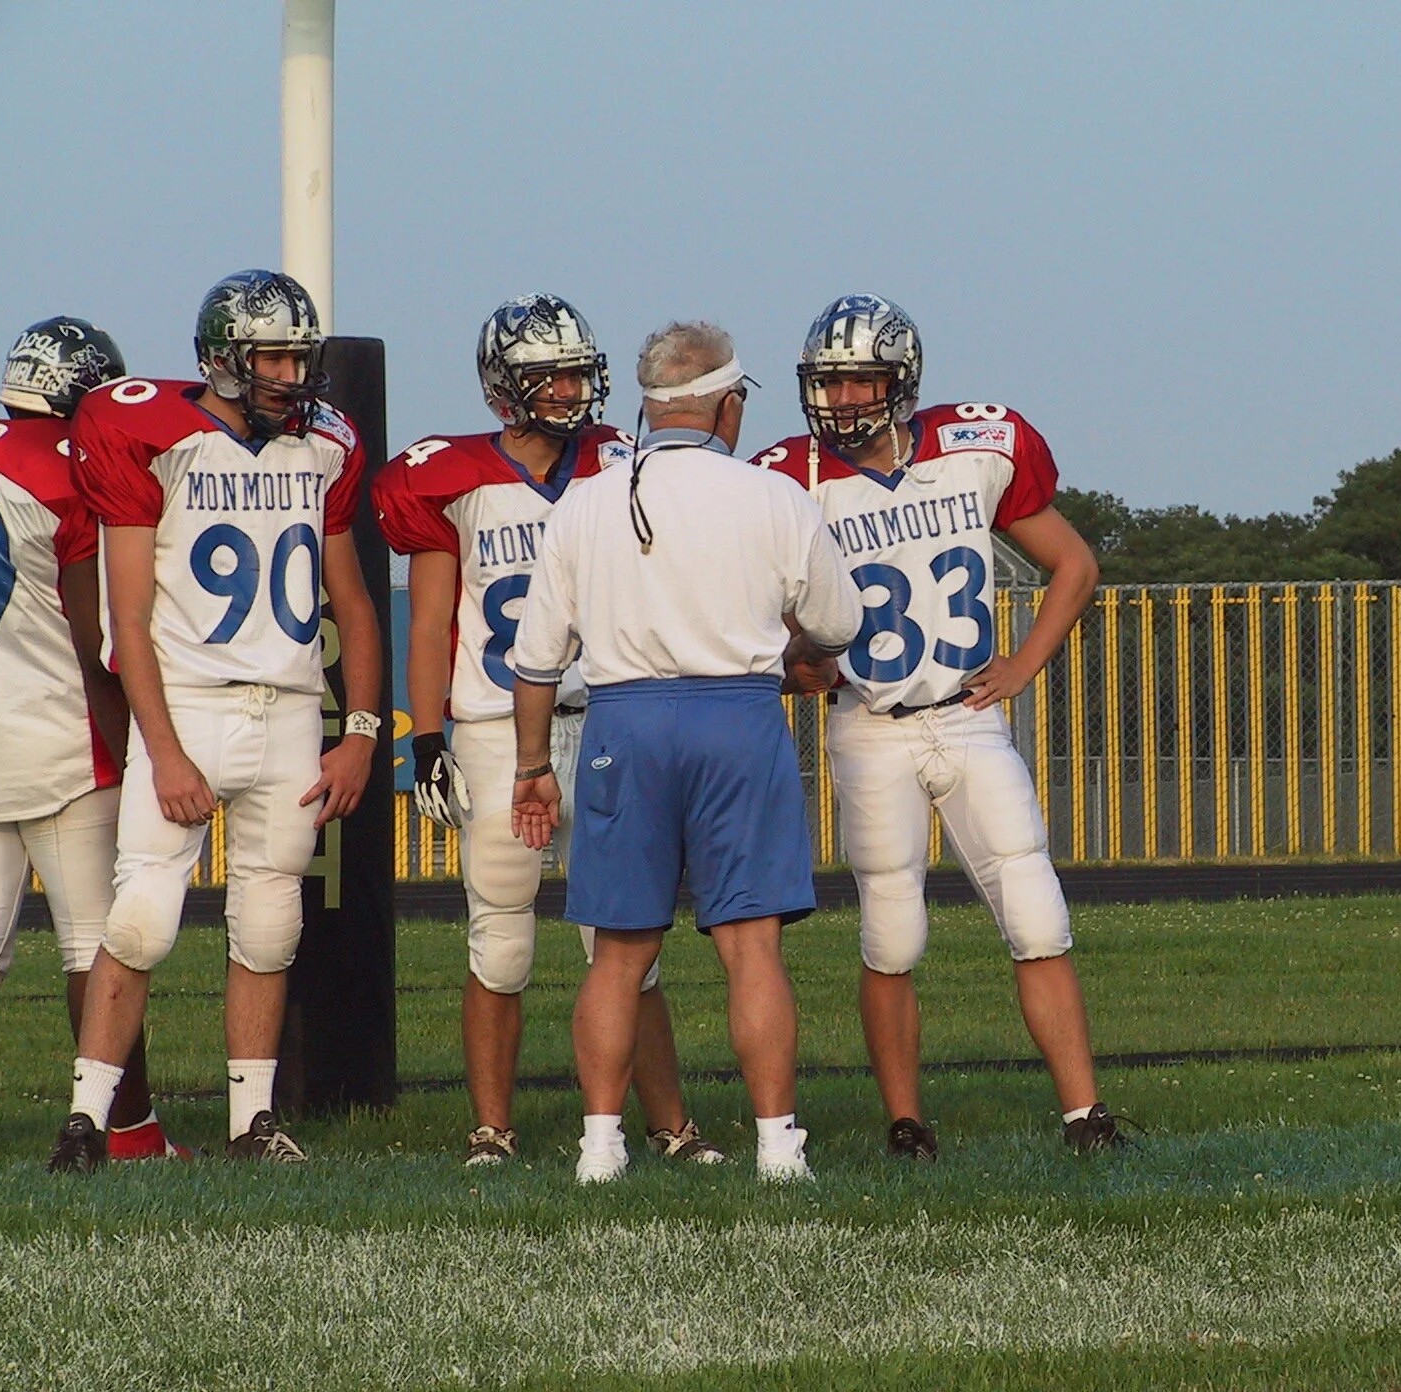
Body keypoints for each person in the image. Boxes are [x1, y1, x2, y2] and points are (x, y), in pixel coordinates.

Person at [753, 293, 1127, 1158]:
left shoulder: (975, 448)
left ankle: (1086, 1118)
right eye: (830, 382)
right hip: (870, 725)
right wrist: (793, 659)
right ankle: (906, 1123)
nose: (845, 399)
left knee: (1037, 917)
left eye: (863, 380)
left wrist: (1024, 664)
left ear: (902, 380)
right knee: (892, 934)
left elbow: (1074, 564)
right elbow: (754, 608)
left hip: (967, 716)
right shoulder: (788, 477)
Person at [373, 294, 723, 1167]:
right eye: (549, 377)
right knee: (500, 940)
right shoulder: (453, 478)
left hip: (605, 718)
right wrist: (426, 737)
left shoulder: (621, 464)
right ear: (503, 388)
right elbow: (430, 621)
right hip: (497, 725)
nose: (570, 391)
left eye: (575, 373)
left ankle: (671, 1126)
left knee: (628, 941)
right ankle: (492, 1129)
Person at [46, 271, 382, 1173]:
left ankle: (251, 1122)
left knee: (271, 922)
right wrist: (162, 750)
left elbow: (353, 602)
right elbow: (128, 619)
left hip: (290, 708)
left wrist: (360, 731)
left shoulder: (324, 446)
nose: (290, 375)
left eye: (299, 358)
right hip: (189, 702)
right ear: (223, 357)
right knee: (141, 918)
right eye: (273, 357)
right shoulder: (154, 438)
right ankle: (85, 1122)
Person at [510, 321, 860, 1183]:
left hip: (624, 722)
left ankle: (601, 1148)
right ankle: (778, 1147)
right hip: (738, 718)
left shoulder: (589, 500)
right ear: (727, 404)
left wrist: (531, 767)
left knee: (619, 954)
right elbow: (838, 622)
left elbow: (536, 660)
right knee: (752, 947)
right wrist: (795, 651)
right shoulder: (773, 495)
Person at [0, 318, 183, 1168]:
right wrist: (140, 748)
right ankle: (132, 1130)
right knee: (96, 942)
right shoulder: (70, 473)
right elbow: (94, 634)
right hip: (57, 735)